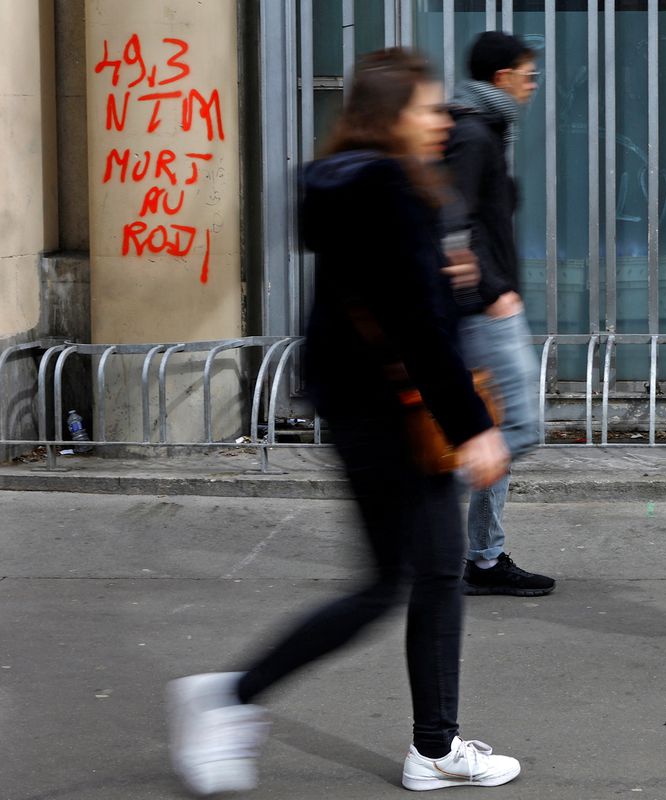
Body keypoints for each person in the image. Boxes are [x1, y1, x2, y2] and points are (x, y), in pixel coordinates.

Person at [165, 49, 521, 794]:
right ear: (391, 118)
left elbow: (395, 304)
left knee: (436, 572)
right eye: (428, 108)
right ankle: (229, 697)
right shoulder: (390, 190)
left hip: (370, 405)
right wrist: (472, 426)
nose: (442, 120)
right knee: (391, 581)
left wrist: (448, 282)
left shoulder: (351, 186)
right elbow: (415, 325)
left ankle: (435, 746)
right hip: (392, 414)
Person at [444, 31, 555, 597]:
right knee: (520, 428)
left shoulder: (485, 128)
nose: (533, 85)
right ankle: (420, 506)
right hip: (485, 310)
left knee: (488, 427)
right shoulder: (471, 134)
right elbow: (451, 216)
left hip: (486, 305)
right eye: (527, 74)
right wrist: (490, 289)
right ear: (500, 77)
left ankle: (484, 560)